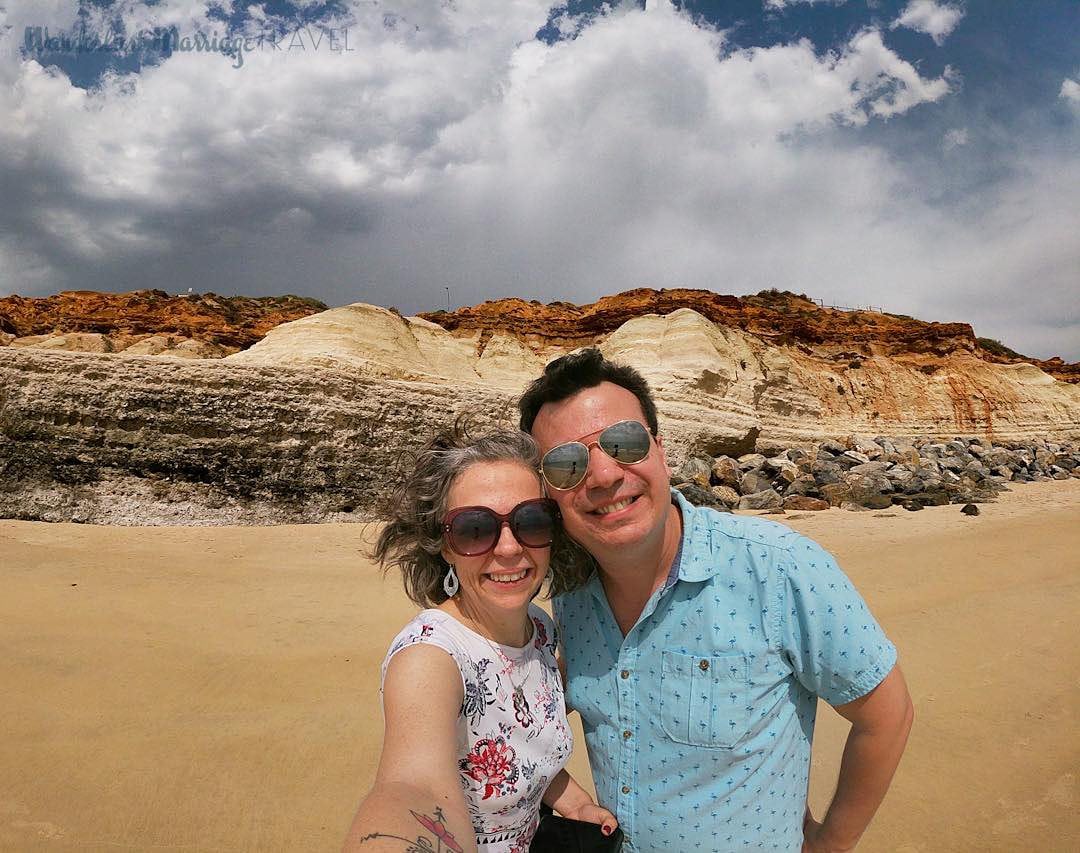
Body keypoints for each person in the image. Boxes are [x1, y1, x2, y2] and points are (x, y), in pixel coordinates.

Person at [518, 348, 914, 853]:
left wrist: (831, 844)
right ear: (549, 491)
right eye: (567, 463)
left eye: (624, 443)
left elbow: (886, 714)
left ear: (660, 451)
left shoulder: (777, 568)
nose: (602, 476)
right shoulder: (569, 594)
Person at [342, 426, 617, 853]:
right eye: (475, 529)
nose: (508, 549)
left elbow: (523, 747)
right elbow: (413, 788)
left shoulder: (540, 630)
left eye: (532, 520)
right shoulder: (430, 658)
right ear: (444, 546)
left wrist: (575, 803)